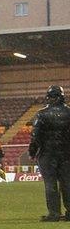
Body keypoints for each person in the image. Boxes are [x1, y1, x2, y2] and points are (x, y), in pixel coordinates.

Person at [28, 86, 70, 221]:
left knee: (50, 183)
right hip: (67, 153)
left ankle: (54, 213)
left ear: (49, 97)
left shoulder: (42, 114)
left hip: (47, 153)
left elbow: (35, 136)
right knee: (67, 182)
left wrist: (32, 151)